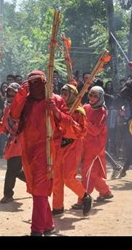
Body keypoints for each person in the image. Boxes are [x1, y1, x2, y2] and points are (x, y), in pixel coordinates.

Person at [9, 70, 73, 236]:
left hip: (47, 149)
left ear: (45, 83)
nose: (34, 86)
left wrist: (55, 111)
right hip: (28, 149)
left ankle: (36, 230)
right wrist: (21, 95)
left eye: (38, 82)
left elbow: (67, 122)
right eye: (31, 83)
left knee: (39, 188)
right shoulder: (26, 100)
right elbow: (14, 115)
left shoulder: (55, 99)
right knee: (36, 188)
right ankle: (48, 224)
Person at [52, 84, 92, 216]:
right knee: (57, 177)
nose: (63, 96)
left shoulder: (78, 112)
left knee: (69, 177)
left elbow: (82, 131)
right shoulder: (58, 108)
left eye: (66, 94)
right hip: (58, 146)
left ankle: (85, 196)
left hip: (73, 145)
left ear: (72, 95)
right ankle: (58, 207)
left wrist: (68, 122)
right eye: (62, 93)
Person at [77, 86, 113, 206]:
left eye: (95, 96)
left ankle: (83, 200)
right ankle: (105, 192)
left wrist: (83, 122)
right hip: (84, 145)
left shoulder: (102, 111)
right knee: (93, 173)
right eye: (91, 95)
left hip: (95, 148)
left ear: (100, 97)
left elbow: (95, 130)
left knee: (86, 173)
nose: (92, 98)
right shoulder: (85, 107)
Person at [0, 82, 26, 203]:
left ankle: (8, 194)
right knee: (16, 169)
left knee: (12, 168)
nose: (10, 94)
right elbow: (5, 124)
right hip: (11, 141)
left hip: (20, 141)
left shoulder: (23, 106)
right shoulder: (7, 106)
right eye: (9, 92)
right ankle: (34, 184)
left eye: (14, 92)